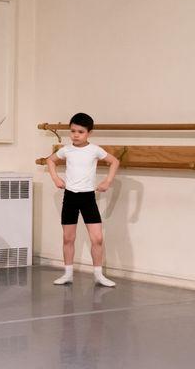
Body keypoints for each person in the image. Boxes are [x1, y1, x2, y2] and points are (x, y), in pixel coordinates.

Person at [46, 113, 119, 287]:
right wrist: (55, 179)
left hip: (88, 198)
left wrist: (107, 181)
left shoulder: (95, 150)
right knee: (68, 238)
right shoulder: (66, 150)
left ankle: (98, 275)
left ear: (89, 133)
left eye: (80, 131)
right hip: (70, 197)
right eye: (72, 131)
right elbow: (50, 161)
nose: (75, 135)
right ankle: (68, 274)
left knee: (97, 238)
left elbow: (114, 161)